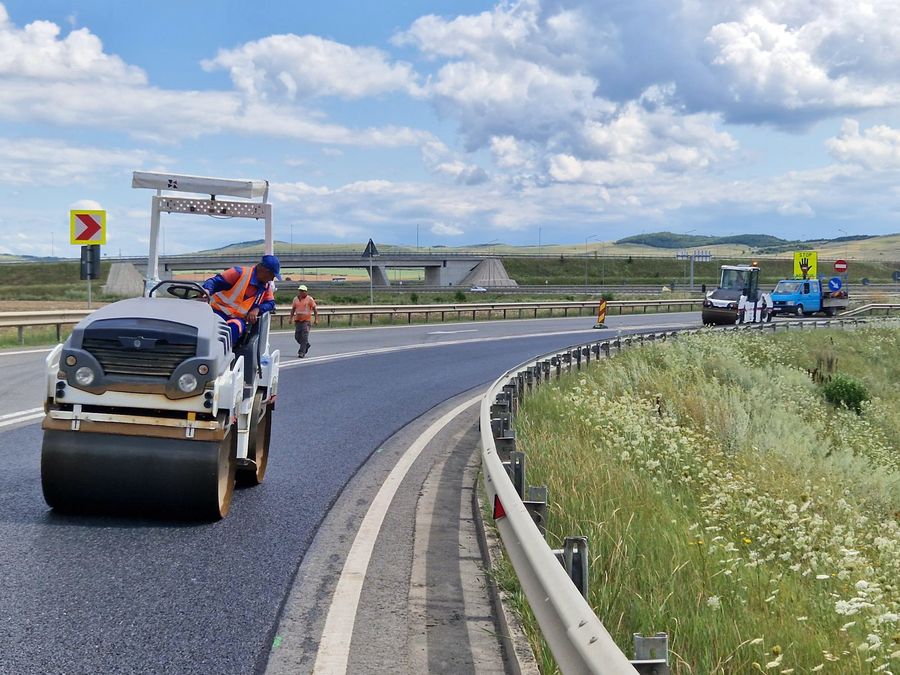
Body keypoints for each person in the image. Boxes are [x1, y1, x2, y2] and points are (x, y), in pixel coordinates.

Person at [202, 254, 281, 345]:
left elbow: (271, 303)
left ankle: (223, 351)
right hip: (217, 312)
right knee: (211, 330)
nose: (272, 279)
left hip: (238, 319)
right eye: (272, 275)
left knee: (234, 328)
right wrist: (207, 290)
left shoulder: (266, 287)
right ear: (263, 270)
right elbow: (214, 282)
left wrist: (257, 309)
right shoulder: (238, 273)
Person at [290, 284, 318, 357]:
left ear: (306, 292)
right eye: (300, 291)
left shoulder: (309, 299)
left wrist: (316, 319)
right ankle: (306, 344)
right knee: (297, 336)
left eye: (303, 291)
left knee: (304, 337)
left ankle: (301, 352)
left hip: (306, 321)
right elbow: (293, 309)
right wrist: (290, 318)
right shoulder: (295, 299)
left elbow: (315, 309)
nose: (301, 292)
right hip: (298, 320)